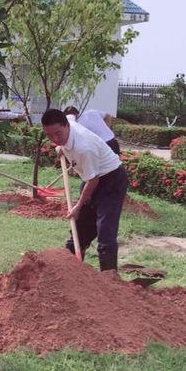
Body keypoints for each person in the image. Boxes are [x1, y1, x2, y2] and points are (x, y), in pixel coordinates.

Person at [42, 108, 129, 271]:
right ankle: (69, 273)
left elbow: (93, 180)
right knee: (79, 228)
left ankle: (109, 279)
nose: (54, 139)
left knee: (105, 231)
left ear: (67, 126)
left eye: (58, 134)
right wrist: (62, 146)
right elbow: (70, 115)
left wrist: (78, 206)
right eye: (50, 135)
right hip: (93, 178)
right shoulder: (69, 122)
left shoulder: (84, 147)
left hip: (111, 180)